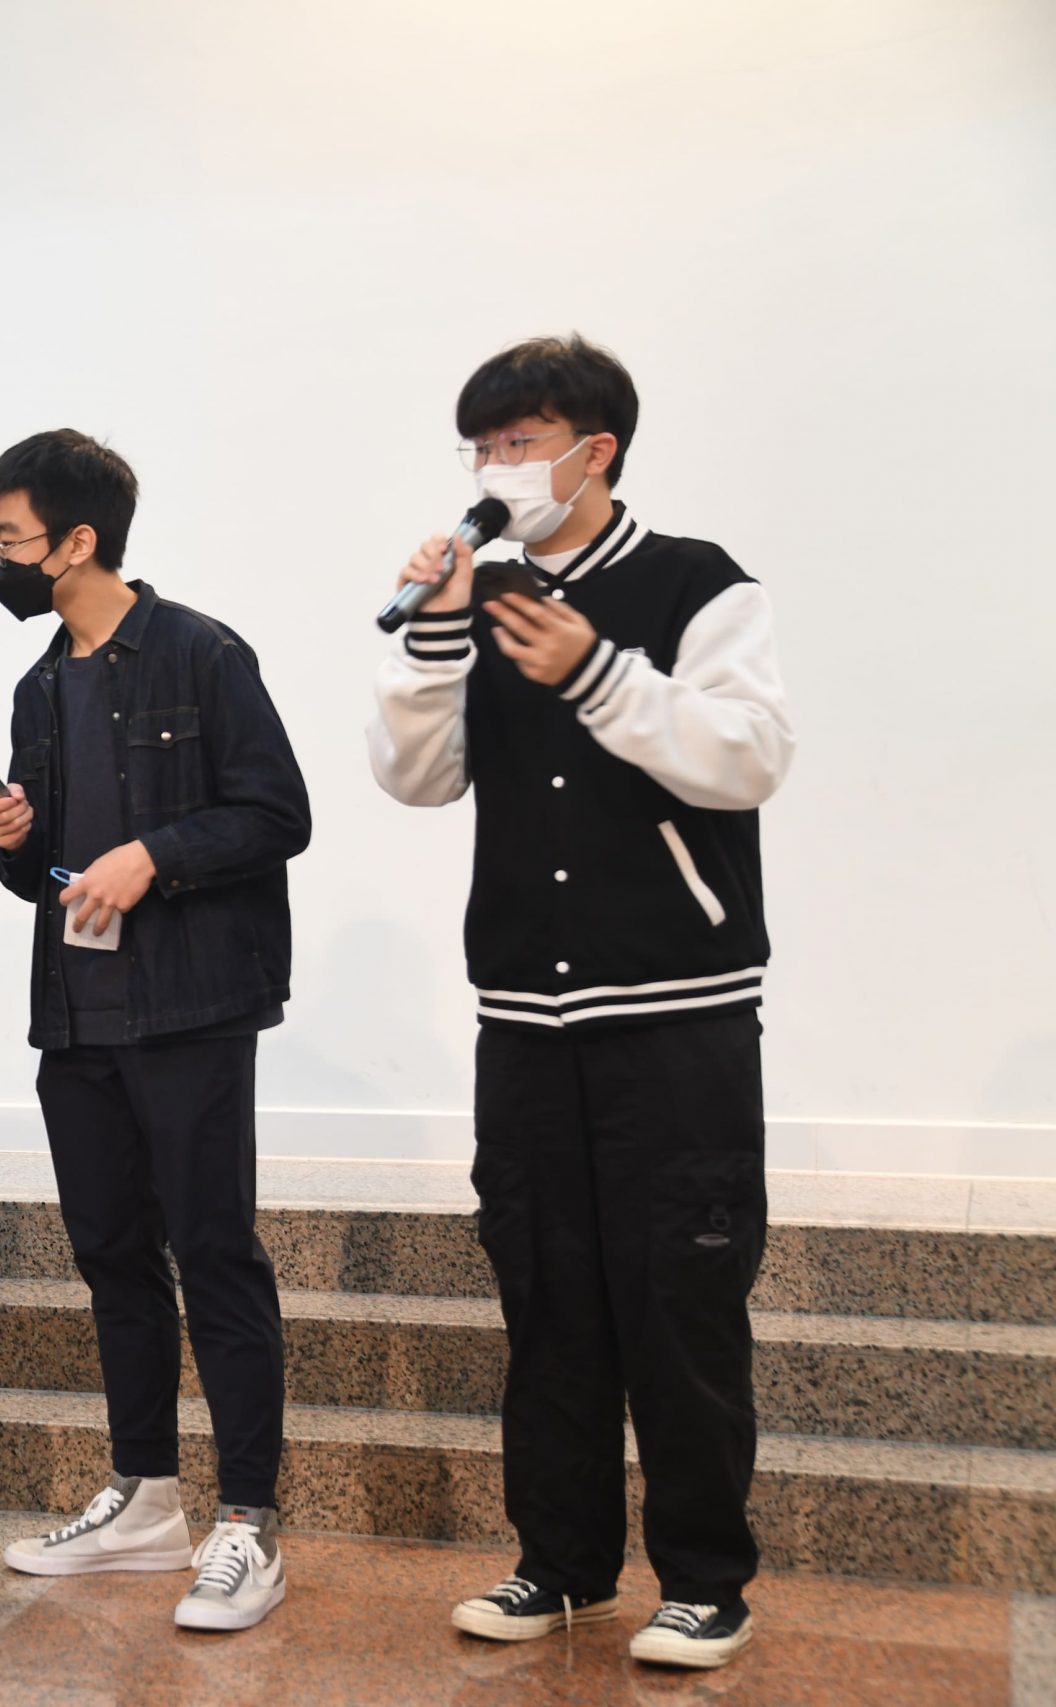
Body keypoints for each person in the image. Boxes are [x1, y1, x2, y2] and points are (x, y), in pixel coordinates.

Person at [369, 335, 796, 1672]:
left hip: (677, 1013)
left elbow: (748, 756)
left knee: (681, 1300)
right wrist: (433, 637)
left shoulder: (696, 582)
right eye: (482, 447)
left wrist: (601, 672)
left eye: (520, 443)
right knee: (546, 1300)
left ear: (593, 451)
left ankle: (706, 1582)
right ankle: (561, 1566)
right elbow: (415, 777)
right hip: (525, 1018)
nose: (496, 467)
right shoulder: (481, 596)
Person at [0, 430, 310, 1633]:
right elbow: (44, 879)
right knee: (111, 1252)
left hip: (193, 1007)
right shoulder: (35, 689)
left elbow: (277, 813)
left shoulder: (202, 653)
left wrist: (153, 856)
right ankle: (146, 1497)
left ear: (77, 541)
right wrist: (16, 844)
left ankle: (248, 1521)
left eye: (8, 538)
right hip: (77, 1017)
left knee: (213, 1252)